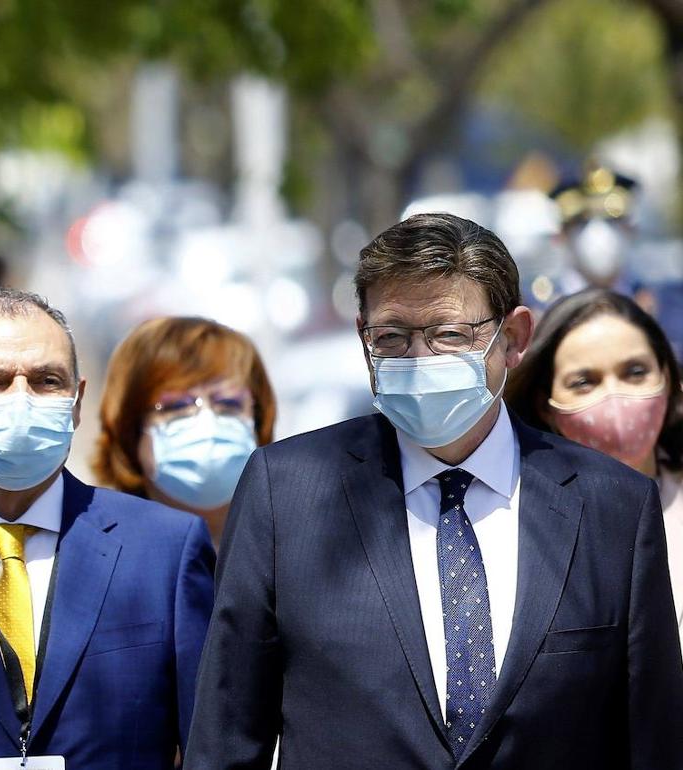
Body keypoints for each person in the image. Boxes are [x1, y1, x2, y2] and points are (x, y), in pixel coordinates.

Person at [186, 212, 683, 768]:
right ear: (363, 338)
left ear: (513, 338)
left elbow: (654, 740)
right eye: (392, 337)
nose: (420, 361)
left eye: (449, 335)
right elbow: (227, 738)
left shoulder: (611, 506)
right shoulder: (288, 491)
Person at [0, 288, 215, 769]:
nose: (21, 400)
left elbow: (211, 745)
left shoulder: (164, 549)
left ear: (77, 402)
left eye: (46, 381)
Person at [506, 288, 683, 648]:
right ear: (545, 405)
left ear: (666, 376)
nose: (614, 400)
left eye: (635, 372)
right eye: (584, 382)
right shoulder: (514, 518)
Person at [91, 316, 275, 547]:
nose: (207, 421)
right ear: (131, 431)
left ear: (258, 420)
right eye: (176, 406)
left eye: (228, 403)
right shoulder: (100, 559)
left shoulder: (304, 547)